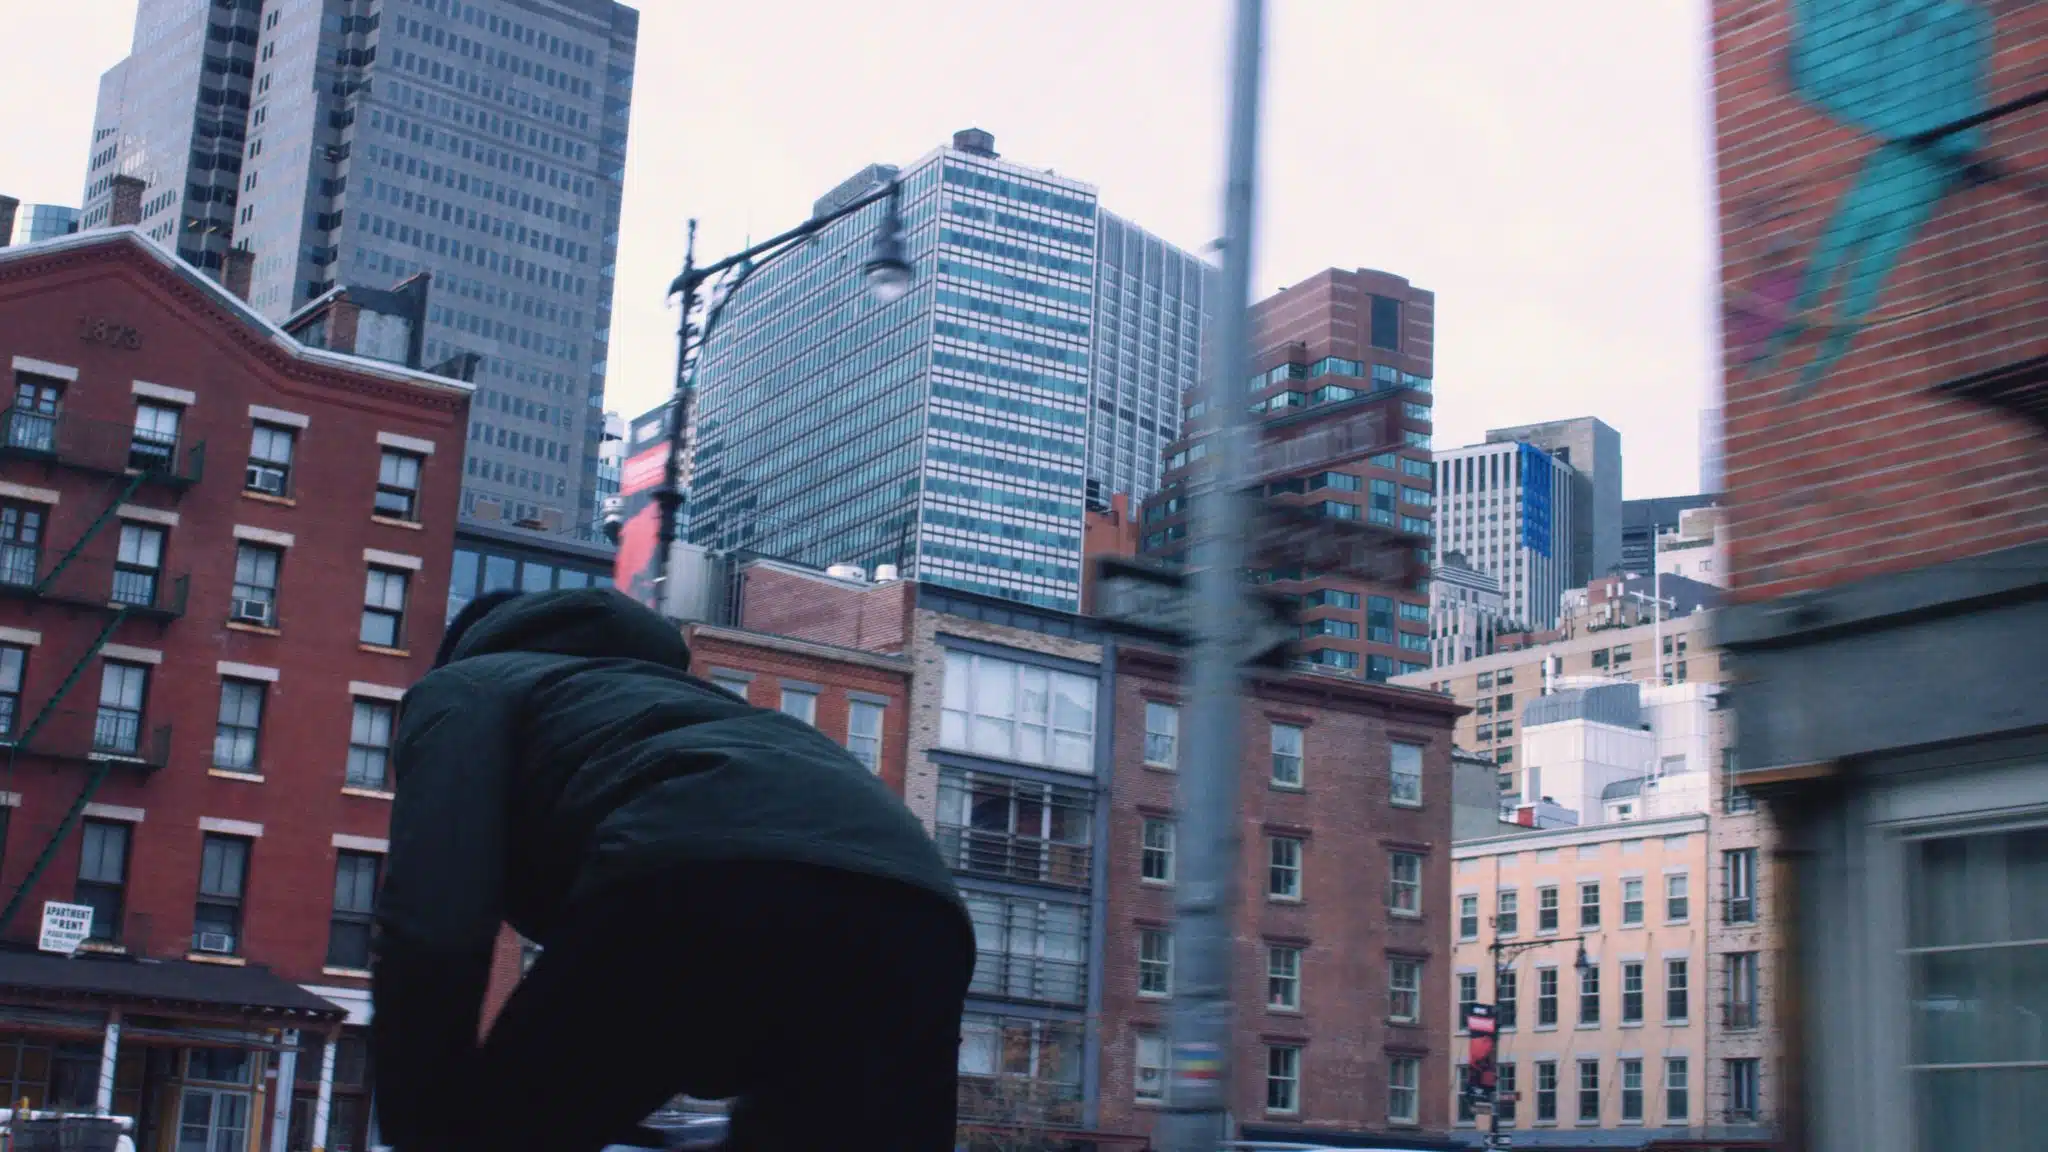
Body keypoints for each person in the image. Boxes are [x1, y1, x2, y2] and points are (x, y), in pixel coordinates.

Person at [370, 587, 974, 1152]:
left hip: (698, 868)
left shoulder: (469, 686)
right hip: (920, 910)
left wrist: (421, 1120)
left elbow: (435, 916)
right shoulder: (708, 709)